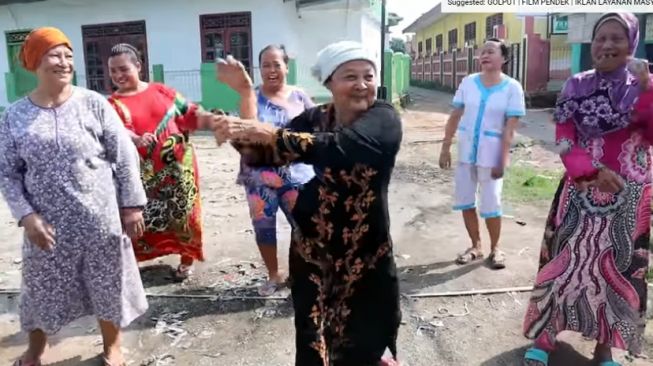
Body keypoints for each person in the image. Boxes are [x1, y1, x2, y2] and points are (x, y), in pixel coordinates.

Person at [214, 41, 402, 366]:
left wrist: (269, 133)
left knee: (362, 343)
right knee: (313, 340)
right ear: (329, 82)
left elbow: (340, 148)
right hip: (311, 251)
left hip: (363, 255)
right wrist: (238, 119)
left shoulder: (383, 117)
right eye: (350, 77)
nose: (361, 85)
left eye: (368, 76)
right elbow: (263, 154)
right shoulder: (315, 117)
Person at [0, 27, 148, 366]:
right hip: (46, 229)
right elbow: (7, 172)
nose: (65, 62)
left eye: (68, 56)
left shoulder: (93, 104)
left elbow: (124, 154)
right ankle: (37, 350)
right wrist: (26, 216)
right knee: (39, 290)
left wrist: (131, 205)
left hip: (99, 220)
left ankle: (112, 347)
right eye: (55, 54)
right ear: (36, 61)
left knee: (107, 283)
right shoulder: (15, 116)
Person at [522, 13, 651, 366]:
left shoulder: (645, 85)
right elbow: (564, 137)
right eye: (600, 38)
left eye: (616, 38)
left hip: (630, 198)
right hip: (579, 193)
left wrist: (647, 89)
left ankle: (604, 348)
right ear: (591, 44)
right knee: (562, 265)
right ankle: (546, 336)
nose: (607, 45)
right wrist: (589, 171)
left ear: (632, 44)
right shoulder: (575, 85)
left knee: (617, 271)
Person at [107, 43, 255, 279]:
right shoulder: (112, 104)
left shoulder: (162, 92)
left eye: (123, 69)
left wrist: (214, 121)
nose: (118, 75)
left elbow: (190, 113)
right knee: (139, 219)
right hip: (142, 176)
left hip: (179, 171)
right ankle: (133, 261)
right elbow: (117, 131)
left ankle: (186, 259)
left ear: (138, 66)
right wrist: (135, 138)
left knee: (184, 216)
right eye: (113, 71)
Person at [438, 38, 526, 269]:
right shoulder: (468, 83)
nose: (484, 55)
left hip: (492, 155)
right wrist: (446, 146)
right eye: (482, 52)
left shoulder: (512, 88)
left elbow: (510, 126)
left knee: (491, 203)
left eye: (490, 51)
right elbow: (455, 115)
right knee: (466, 201)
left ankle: (496, 248)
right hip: (467, 152)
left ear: (504, 58)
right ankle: (475, 246)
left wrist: (502, 158)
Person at [237, 44, 315, 296]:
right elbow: (247, 130)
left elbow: (317, 129)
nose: (271, 70)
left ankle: (301, 273)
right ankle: (273, 274)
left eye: (276, 64)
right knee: (264, 227)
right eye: (265, 65)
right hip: (260, 178)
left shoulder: (300, 96)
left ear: (286, 67)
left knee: (304, 225)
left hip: (297, 175)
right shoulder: (252, 97)